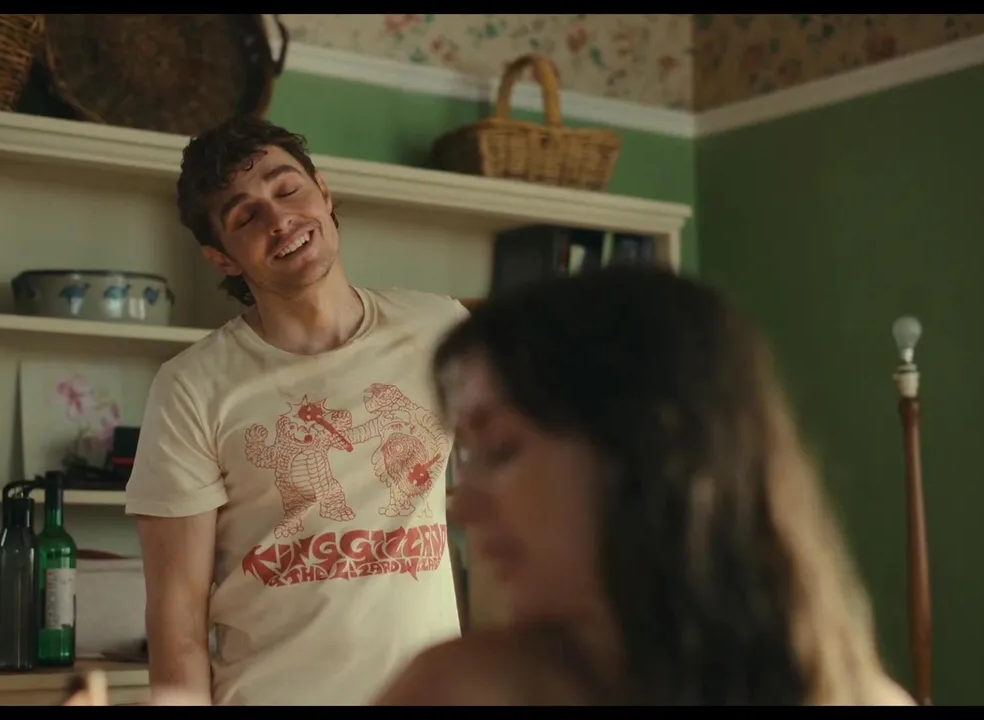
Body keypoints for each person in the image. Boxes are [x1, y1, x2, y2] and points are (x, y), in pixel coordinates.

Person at [374, 265, 915, 706]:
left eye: (502, 450)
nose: (462, 506)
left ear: (646, 449)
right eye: (468, 456)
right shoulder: (456, 691)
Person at [123, 116, 467, 706]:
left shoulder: (440, 329)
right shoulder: (191, 387)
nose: (279, 219)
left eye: (288, 190)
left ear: (324, 193)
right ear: (222, 258)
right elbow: (176, 616)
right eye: (245, 217)